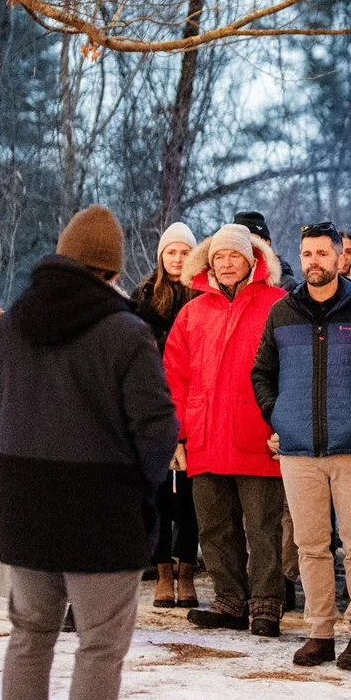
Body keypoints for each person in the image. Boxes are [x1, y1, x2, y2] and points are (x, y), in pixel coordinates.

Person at [0, 206, 176, 700]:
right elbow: (156, 427)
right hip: (103, 509)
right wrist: (142, 483)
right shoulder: (126, 333)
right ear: (111, 269)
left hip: (26, 503)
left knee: (30, 635)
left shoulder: (9, 326)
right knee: (100, 644)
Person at [255, 223, 351, 669]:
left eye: (322, 253)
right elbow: (261, 371)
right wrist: (276, 414)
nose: (313, 261)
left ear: (341, 257)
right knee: (310, 545)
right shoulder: (284, 311)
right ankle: (320, 630)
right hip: (299, 451)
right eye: (306, 253)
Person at [167, 223, 286, 636]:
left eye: (236, 255)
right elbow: (175, 378)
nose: (227, 263)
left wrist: (283, 424)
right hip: (204, 436)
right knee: (215, 527)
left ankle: (267, 605)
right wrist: (177, 436)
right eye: (219, 256)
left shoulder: (278, 304)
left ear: (252, 260)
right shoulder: (192, 312)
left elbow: (290, 372)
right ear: (209, 262)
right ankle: (230, 600)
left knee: (262, 527)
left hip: (258, 434)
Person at [134, 222, 199, 610]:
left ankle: (187, 568)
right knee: (159, 491)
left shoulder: (202, 295)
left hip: (194, 402)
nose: (176, 259)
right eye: (170, 252)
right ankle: (161, 569)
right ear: (161, 256)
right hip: (155, 403)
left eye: (183, 252)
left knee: (191, 494)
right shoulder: (142, 297)